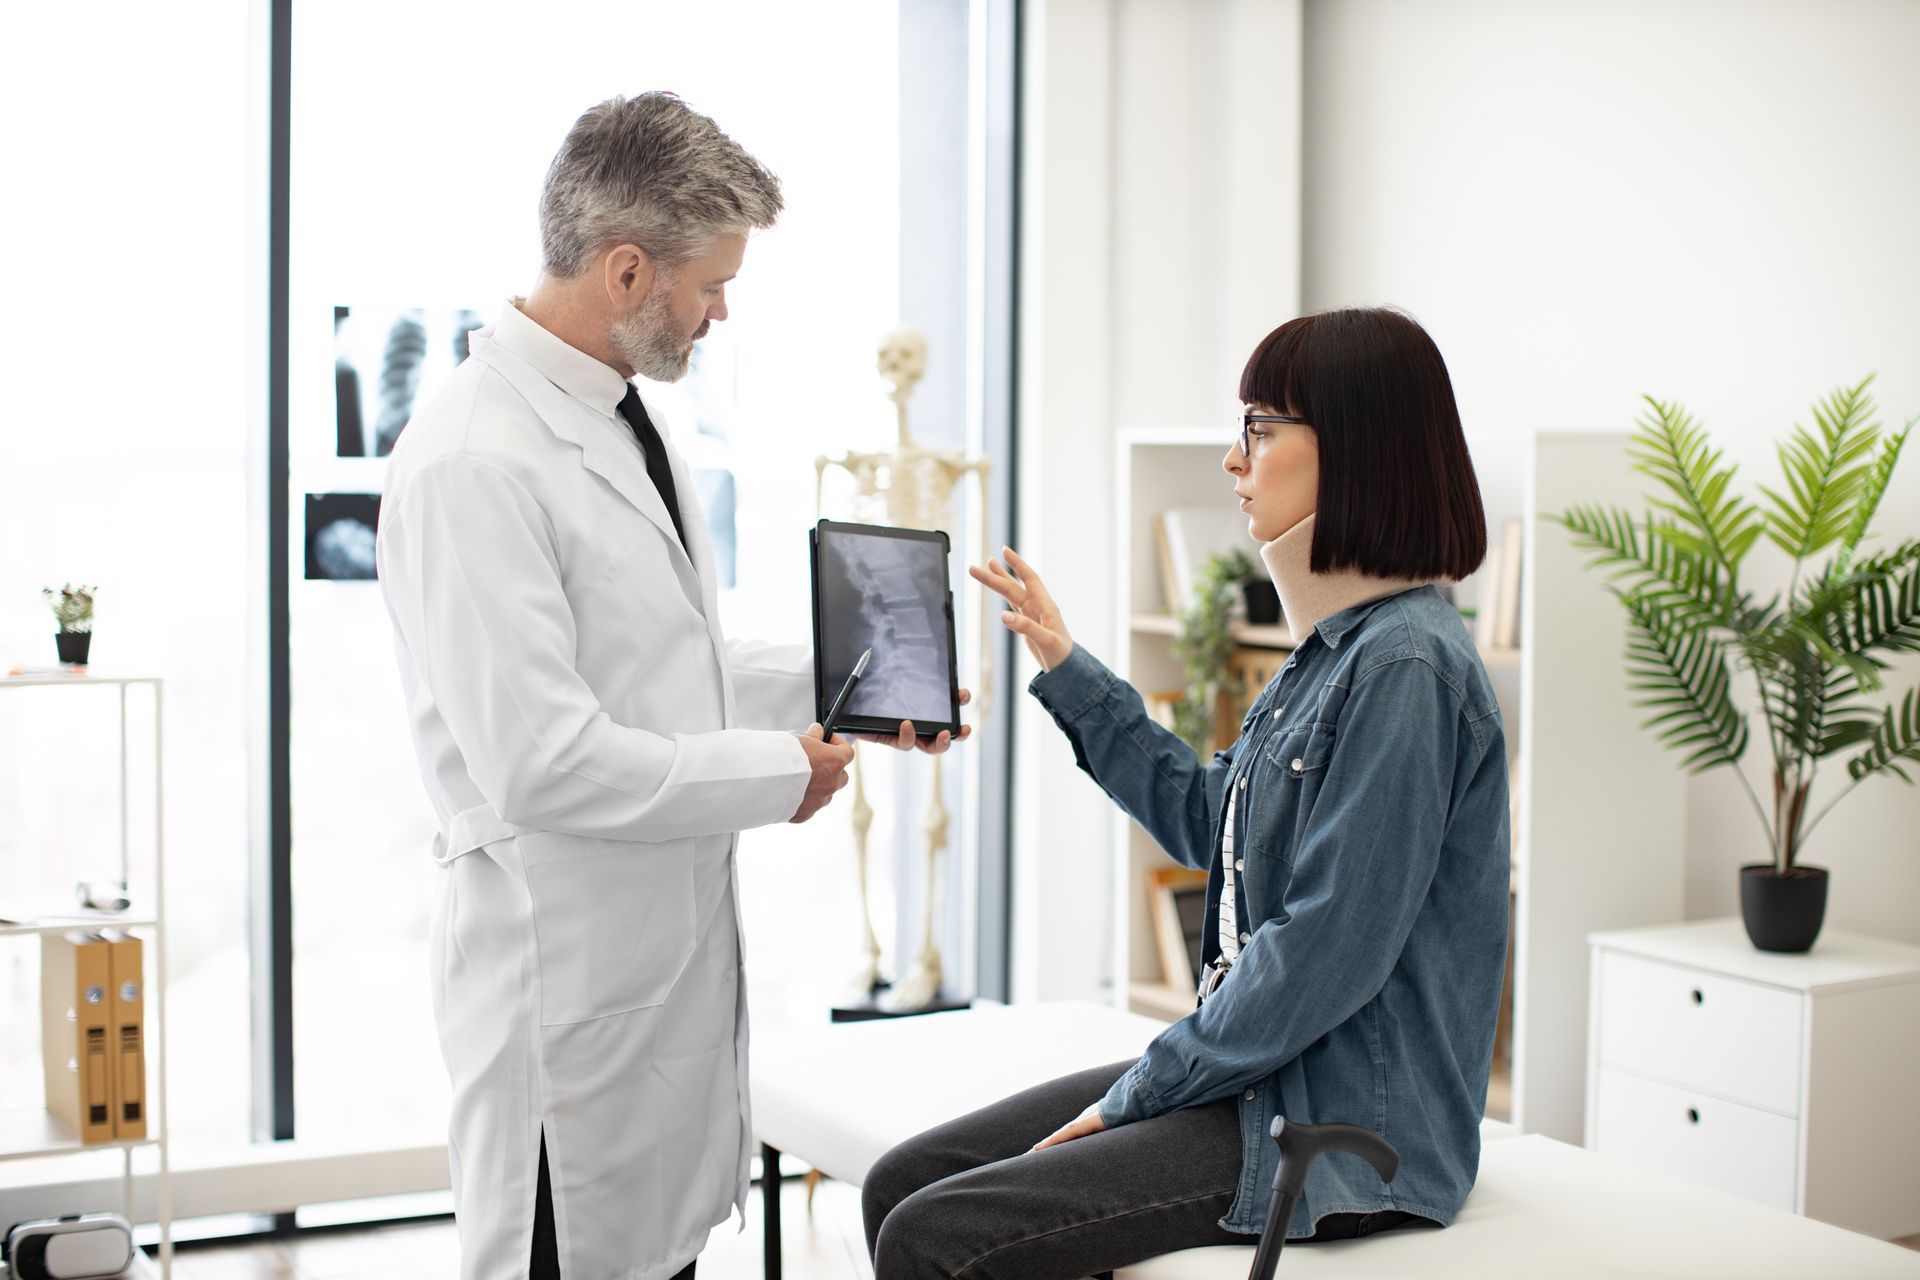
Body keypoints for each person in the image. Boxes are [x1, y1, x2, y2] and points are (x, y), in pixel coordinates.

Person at [377, 93, 964, 1280]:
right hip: (566, 1018)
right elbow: (545, 759)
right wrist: (777, 773)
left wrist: (869, 675)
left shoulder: (622, 419)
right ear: (627, 268)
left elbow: (668, 669)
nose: (721, 309)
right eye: (709, 282)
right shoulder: (474, 461)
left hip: (655, 988)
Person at [863, 307, 1509, 1277]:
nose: (1233, 459)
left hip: (1340, 1122)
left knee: (933, 1233)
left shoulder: (1406, 668)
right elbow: (1214, 824)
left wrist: (1142, 1089)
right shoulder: (1331, 656)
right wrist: (1066, 663)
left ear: (1358, 448)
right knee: (903, 1179)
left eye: (1259, 427)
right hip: (1265, 1074)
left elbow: (1325, 948)